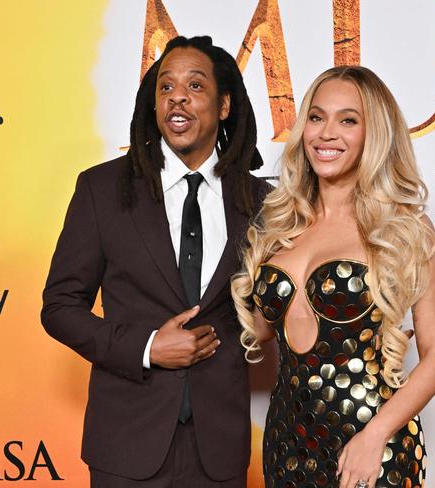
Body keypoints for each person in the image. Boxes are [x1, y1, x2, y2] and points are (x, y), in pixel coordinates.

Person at [41, 35, 270, 487]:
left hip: (219, 450)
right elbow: (60, 307)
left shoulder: (260, 200)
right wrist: (147, 348)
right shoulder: (102, 190)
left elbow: (283, 308)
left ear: (225, 106)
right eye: (165, 87)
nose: (177, 96)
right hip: (126, 444)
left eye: (195, 86)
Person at [232, 66, 435, 488]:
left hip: (372, 441)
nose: (326, 133)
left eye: (348, 120)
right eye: (316, 118)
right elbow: (261, 332)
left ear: (374, 133)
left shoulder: (403, 228)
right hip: (287, 441)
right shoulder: (280, 225)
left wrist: (375, 437)